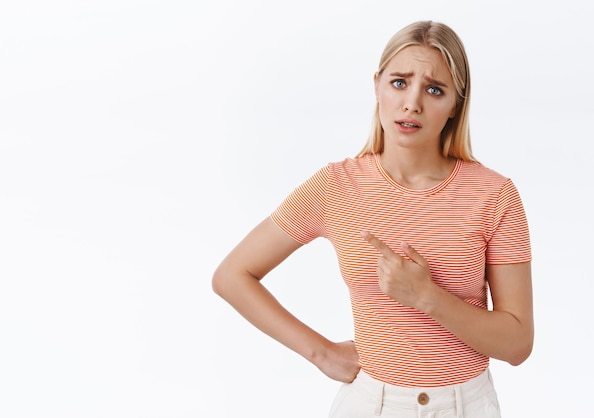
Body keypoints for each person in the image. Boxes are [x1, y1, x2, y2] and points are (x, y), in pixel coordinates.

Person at [212, 20, 533, 417]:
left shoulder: (494, 195)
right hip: (370, 405)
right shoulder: (336, 186)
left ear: (455, 105)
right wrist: (321, 353)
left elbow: (518, 344)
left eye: (434, 90)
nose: (412, 102)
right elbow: (232, 276)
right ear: (377, 85)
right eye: (400, 82)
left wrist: (427, 297)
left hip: (466, 406)